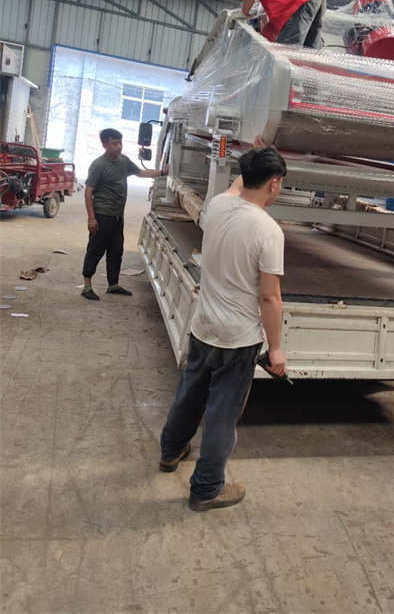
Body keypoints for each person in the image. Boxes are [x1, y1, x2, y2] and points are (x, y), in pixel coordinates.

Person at [159, 147, 288, 512]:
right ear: (274, 183)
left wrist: (257, 152)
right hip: (238, 339)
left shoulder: (216, 206)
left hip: (203, 327)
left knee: (189, 394)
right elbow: (269, 297)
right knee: (221, 415)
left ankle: (171, 452)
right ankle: (206, 489)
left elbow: (238, 185)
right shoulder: (268, 231)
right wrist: (276, 348)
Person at [82, 128, 164, 301]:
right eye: (114, 143)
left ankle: (113, 285)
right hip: (102, 215)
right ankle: (87, 286)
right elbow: (88, 192)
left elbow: (141, 173)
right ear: (104, 144)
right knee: (95, 250)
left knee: (116, 251)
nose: (118, 146)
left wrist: (162, 172)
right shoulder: (98, 165)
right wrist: (91, 218)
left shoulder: (123, 161)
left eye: (120, 143)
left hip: (118, 216)